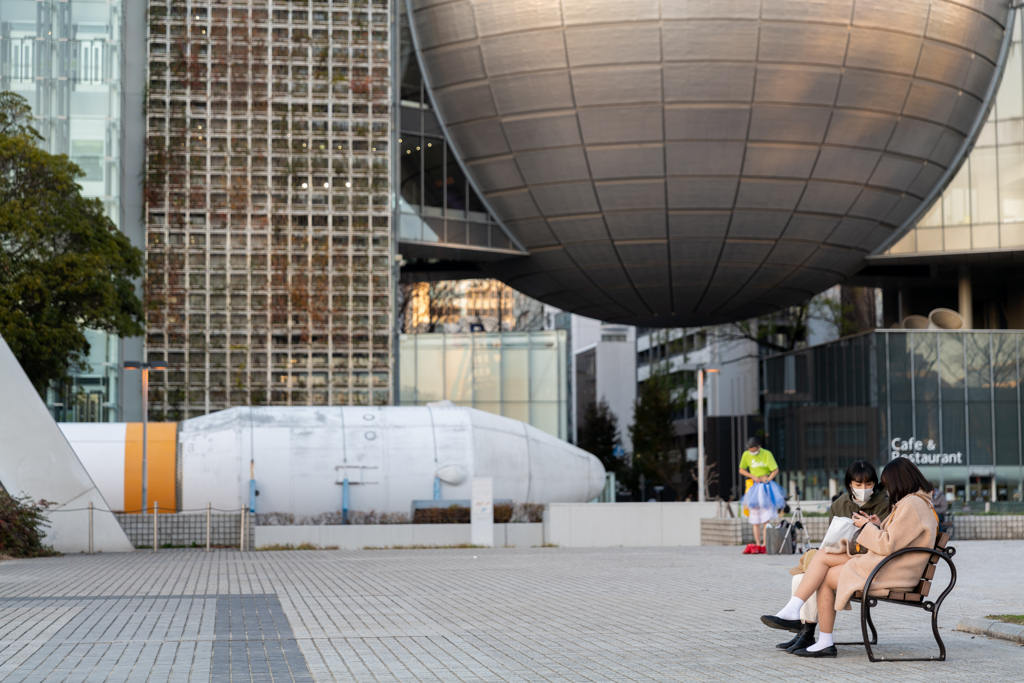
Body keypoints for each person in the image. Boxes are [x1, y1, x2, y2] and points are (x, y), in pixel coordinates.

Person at [759, 457, 937, 657]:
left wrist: (867, 527)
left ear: (899, 480)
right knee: (824, 555)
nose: (887, 490)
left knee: (825, 576)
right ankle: (795, 612)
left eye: (887, 485)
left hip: (891, 571)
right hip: (888, 564)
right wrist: (878, 525)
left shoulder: (911, 504)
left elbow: (888, 544)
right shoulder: (916, 502)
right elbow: (895, 539)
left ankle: (819, 635)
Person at [775, 461, 891, 653]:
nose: (864, 489)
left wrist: (872, 526)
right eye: (858, 484)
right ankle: (805, 631)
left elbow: (885, 540)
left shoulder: (883, 505)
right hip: (840, 554)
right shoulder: (839, 504)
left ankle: (805, 629)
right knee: (800, 578)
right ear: (849, 484)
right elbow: (831, 539)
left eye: (869, 484)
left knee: (819, 571)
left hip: (863, 559)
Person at [738, 438, 783, 552]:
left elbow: (775, 469)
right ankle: (757, 544)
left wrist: (767, 479)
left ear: (759, 447)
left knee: (765, 519)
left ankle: (765, 544)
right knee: (755, 518)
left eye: (754, 450)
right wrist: (753, 477)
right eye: (750, 450)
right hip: (753, 486)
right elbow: (741, 469)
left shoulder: (766, 454)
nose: (752, 452)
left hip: (765, 486)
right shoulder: (746, 455)